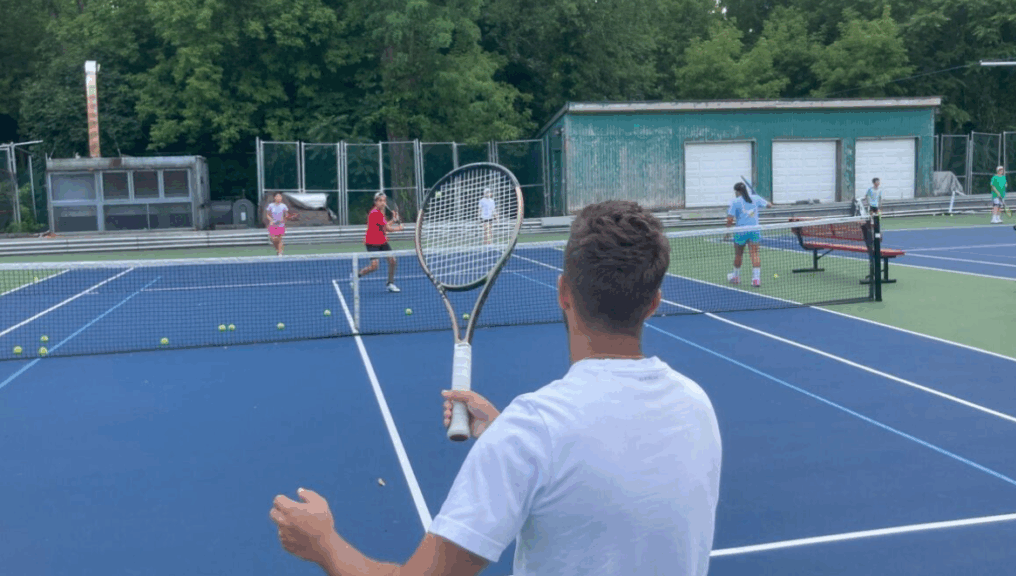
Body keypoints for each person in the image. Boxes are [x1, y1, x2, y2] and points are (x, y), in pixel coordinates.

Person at [270, 200, 723, 576]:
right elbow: (605, 478)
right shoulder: (697, 404)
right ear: (654, 303)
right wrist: (510, 437)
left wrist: (324, 544)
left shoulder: (531, 433)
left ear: (564, 291)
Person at [726, 181, 773, 287]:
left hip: (741, 232)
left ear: (737, 192)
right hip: (754, 231)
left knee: (738, 254)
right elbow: (769, 205)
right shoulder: (755, 198)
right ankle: (756, 279)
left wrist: (727, 232)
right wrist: (765, 201)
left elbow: (729, 219)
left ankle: (736, 277)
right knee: (755, 254)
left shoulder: (735, 202)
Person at [357, 191, 403, 292]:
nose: (383, 203)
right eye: (380, 201)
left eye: (384, 201)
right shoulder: (374, 213)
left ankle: (390, 283)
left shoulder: (381, 213)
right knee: (374, 266)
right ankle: (357, 275)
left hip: (382, 241)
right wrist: (399, 228)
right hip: (372, 242)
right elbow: (387, 228)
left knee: (392, 261)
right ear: (376, 202)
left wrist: (393, 220)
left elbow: (384, 226)